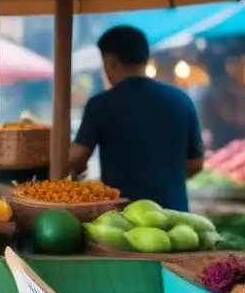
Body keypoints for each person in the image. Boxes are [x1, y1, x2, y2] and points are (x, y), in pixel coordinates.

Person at [69, 25, 204, 211]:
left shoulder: (102, 104)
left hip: (124, 221)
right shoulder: (181, 100)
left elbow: (77, 157)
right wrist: (163, 178)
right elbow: (196, 163)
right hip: (175, 219)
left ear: (111, 62)